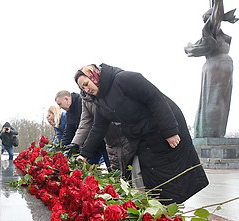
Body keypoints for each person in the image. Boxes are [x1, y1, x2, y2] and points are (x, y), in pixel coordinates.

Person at [74, 63, 209, 204]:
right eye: (82, 88)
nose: (86, 89)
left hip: (163, 128)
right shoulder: (101, 100)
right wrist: (84, 155)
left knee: (167, 175)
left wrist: (170, 132)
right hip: (142, 135)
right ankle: (151, 209)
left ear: (94, 75)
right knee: (142, 173)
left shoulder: (124, 79)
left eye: (86, 83)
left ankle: (166, 213)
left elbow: (155, 99)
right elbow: (98, 128)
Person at [184, 0, 238, 138]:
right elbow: (217, 9)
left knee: (220, 102)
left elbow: (217, 11)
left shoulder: (216, 32)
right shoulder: (212, 29)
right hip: (217, 66)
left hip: (221, 66)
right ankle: (211, 133)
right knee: (214, 101)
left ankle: (215, 133)